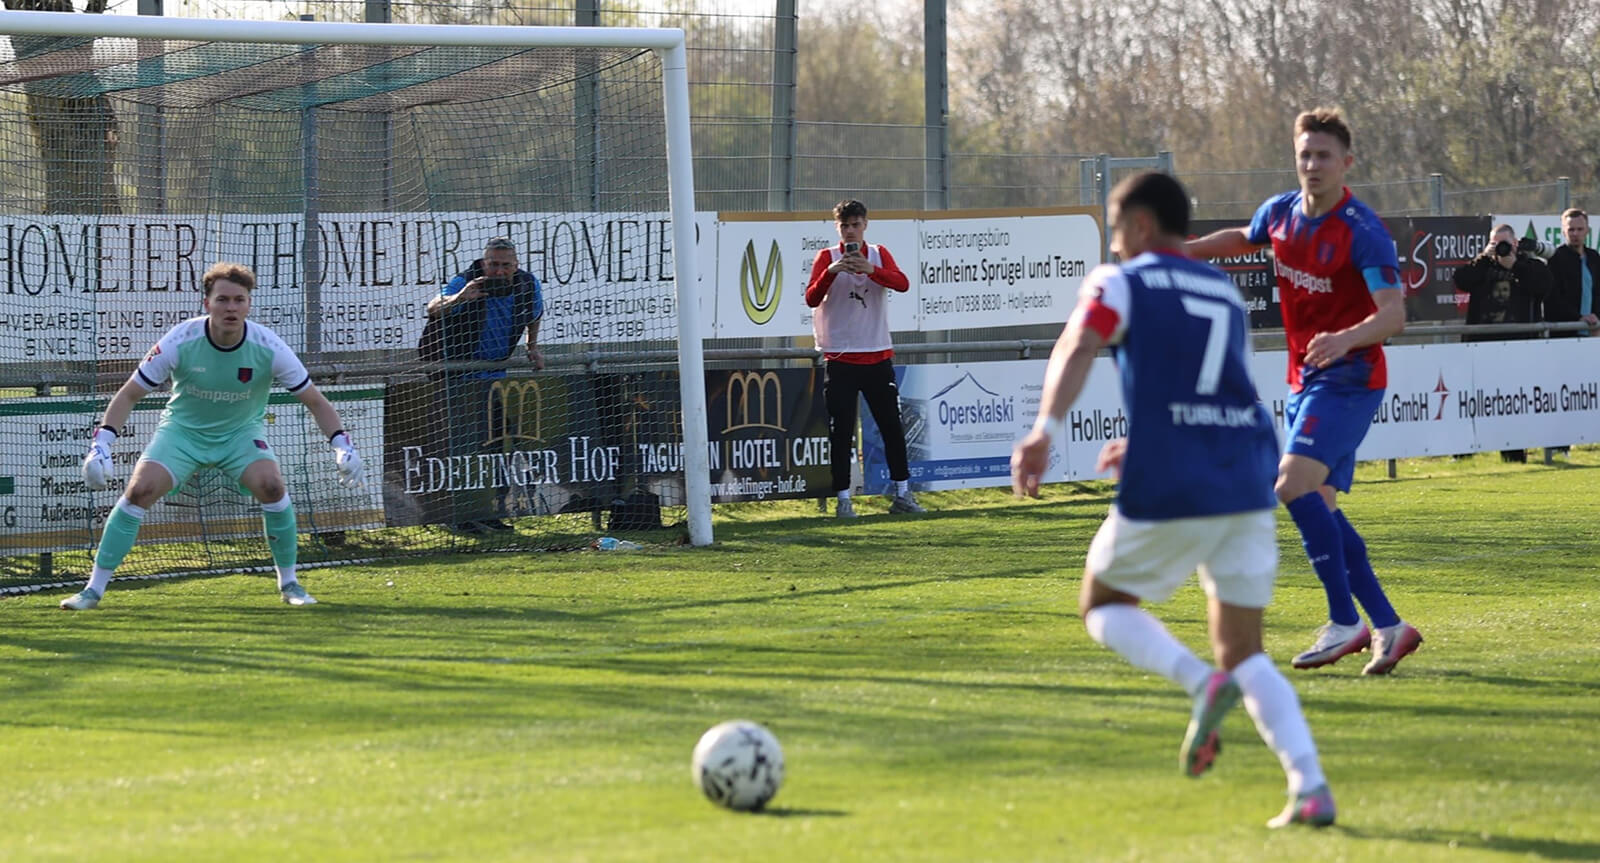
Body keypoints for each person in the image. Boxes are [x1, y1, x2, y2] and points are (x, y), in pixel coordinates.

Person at [1012, 171, 1334, 828]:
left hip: (1175, 478)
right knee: (1245, 650)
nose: (1114, 239)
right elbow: (1215, 385)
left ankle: (1198, 683)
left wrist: (1044, 429)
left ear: (1138, 226)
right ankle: (1309, 783)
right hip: (1247, 473)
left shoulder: (1118, 281)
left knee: (1101, 601)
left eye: (1115, 224)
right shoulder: (1220, 287)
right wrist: (1145, 435)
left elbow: (1079, 340)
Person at [1186, 108, 1423, 675]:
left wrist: (1345, 339)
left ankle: (1346, 621)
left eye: (1323, 155)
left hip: (1350, 379)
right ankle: (1390, 626)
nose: (1312, 165)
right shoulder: (1281, 213)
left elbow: (1393, 316)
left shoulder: (1361, 231)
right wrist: (1178, 251)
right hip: (1306, 380)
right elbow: (1242, 239)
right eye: (1304, 154)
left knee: (1290, 483)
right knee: (1317, 505)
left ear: (1346, 163)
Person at [63, 262, 365, 611]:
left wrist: (342, 444)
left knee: (272, 486)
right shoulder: (180, 339)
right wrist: (101, 444)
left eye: (240, 300)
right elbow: (129, 394)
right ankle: (92, 590)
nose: (231, 308)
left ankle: (290, 584)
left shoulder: (269, 346)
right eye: (223, 299)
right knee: (139, 491)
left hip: (240, 434)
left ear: (249, 304)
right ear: (207, 302)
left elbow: (315, 400)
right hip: (182, 433)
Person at [805, 199, 923, 518]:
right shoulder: (827, 258)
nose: (850, 231)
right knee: (841, 432)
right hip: (841, 358)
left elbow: (902, 283)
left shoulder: (879, 254)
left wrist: (873, 270)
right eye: (844, 226)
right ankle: (844, 500)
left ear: (865, 225)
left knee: (891, 429)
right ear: (837, 228)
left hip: (877, 355)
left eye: (855, 225)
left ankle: (902, 494)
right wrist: (831, 273)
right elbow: (811, 297)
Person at [425, 236, 544, 533]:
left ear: (515, 266)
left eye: (505, 265)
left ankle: (489, 512)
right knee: (460, 448)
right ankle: (458, 517)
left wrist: (532, 346)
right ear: (484, 262)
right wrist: (460, 297)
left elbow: (535, 314)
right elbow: (433, 308)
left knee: (492, 449)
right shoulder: (467, 281)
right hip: (455, 374)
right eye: (493, 264)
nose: (499, 271)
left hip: (493, 377)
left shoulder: (527, 285)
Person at [1452, 224, 1554, 462]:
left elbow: (1543, 287)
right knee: (1475, 402)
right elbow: (1462, 280)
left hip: (1518, 347)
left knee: (1513, 403)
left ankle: (1513, 456)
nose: (1502, 249)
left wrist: (1515, 265)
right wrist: (1485, 256)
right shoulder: (1483, 266)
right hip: (1481, 347)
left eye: (1505, 244)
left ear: (1516, 243)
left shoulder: (1529, 265)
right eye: (1496, 244)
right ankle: (1464, 455)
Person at [1545, 208, 1600, 336]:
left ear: (1587, 231)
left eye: (1580, 229)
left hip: (1593, 331)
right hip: (1565, 333)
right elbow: (1553, 298)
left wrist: (1595, 316)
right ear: (1563, 232)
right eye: (1571, 229)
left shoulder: (1594, 257)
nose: (1575, 233)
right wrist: (1578, 318)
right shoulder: (1555, 258)